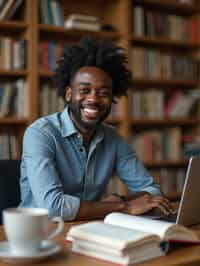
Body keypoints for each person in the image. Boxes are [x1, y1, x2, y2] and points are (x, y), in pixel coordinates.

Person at [19, 37, 174, 221]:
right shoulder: (41, 134)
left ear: (112, 99)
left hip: (88, 228)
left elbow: (152, 190)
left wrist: (119, 200)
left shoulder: (112, 139)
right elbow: (53, 207)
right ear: (69, 94)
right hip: (40, 234)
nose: (94, 99)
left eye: (103, 93)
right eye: (85, 90)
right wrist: (124, 208)